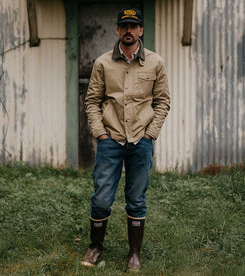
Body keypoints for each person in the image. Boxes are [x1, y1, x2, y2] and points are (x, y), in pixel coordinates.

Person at [81, 8, 170, 271]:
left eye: (134, 26)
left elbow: (163, 101)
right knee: (100, 198)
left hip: (141, 141)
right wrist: (101, 133)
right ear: (117, 30)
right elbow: (92, 101)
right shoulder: (102, 63)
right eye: (124, 26)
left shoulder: (156, 63)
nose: (129, 30)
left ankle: (134, 253)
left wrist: (150, 134)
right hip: (111, 139)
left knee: (136, 198)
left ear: (141, 30)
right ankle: (96, 246)